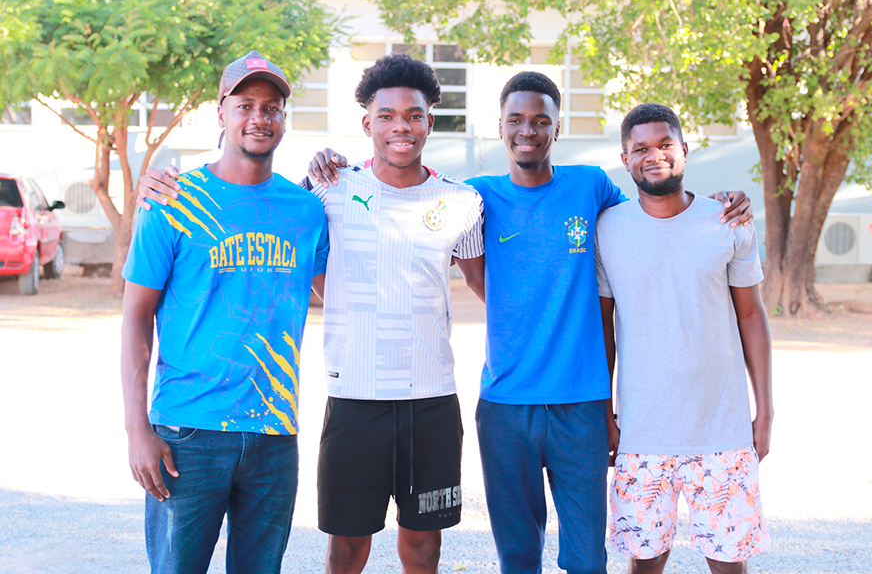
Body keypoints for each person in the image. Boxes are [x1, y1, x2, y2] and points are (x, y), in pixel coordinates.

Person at [306, 71, 753, 574]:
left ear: (557, 129)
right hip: (503, 406)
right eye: (516, 119)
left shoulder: (589, 186)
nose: (528, 130)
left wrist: (717, 203)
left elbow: (651, 218)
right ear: (500, 127)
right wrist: (333, 164)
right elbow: (432, 239)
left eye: (542, 120)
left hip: (581, 405)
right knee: (517, 557)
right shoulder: (475, 197)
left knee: (587, 558)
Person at [136, 53, 485, 574]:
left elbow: (490, 291)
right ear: (367, 124)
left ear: (430, 121)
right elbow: (140, 318)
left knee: (422, 544)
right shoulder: (326, 190)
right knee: (342, 547)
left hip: (409, 405)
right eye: (386, 115)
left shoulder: (458, 201)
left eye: (414, 115)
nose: (401, 127)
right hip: (320, 408)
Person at [121, 50, 329, 574]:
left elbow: (339, 293)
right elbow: (135, 320)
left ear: (284, 117)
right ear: (221, 113)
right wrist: (136, 430)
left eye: (272, 106)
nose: (259, 117)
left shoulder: (306, 210)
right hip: (187, 432)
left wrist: (347, 178)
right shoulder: (173, 200)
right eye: (245, 105)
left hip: (274, 434)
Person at [595, 103, 772, 574]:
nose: (654, 155)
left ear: (685, 150)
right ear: (625, 158)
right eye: (641, 148)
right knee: (645, 564)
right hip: (642, 432)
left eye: (665, 144)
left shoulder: (728, 220)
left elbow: (752, 316)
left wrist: (765, 412)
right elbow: (604, 330)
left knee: (729, 564)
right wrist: (605, 413)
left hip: (723, 430)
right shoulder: (608, 228)